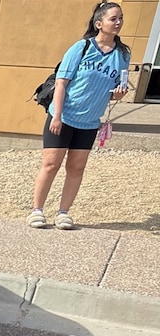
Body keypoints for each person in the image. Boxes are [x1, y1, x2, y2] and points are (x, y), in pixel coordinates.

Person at [28, 2, 131, 229]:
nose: (118, 22)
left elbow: (116, 89)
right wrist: (57, 116)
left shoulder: (123, 54)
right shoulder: (82, 47)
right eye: (113, 18)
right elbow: (61, 83)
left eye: (121, 18)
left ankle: (63, 213)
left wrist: (119, 94)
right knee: (51, 164)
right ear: (99, 23)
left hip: (90, 122)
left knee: (76, 167)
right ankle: (37, 210)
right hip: (63, 116)